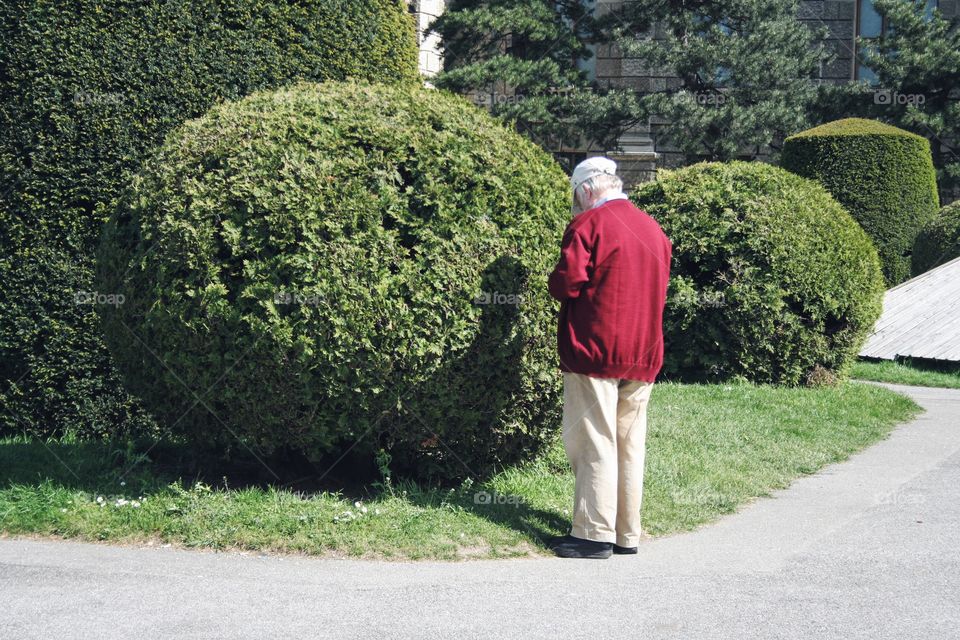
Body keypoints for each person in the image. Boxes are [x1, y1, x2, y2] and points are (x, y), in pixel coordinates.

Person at [547, 157, 672, 559]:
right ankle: (625, 535)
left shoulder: (589, 225)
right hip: (644, 352)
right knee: (629, 443)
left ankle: (592, 534)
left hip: (595, 349)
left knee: (594, 440)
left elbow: (567, 282)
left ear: (585, 190)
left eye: (576, 198)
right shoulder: (654, 229)